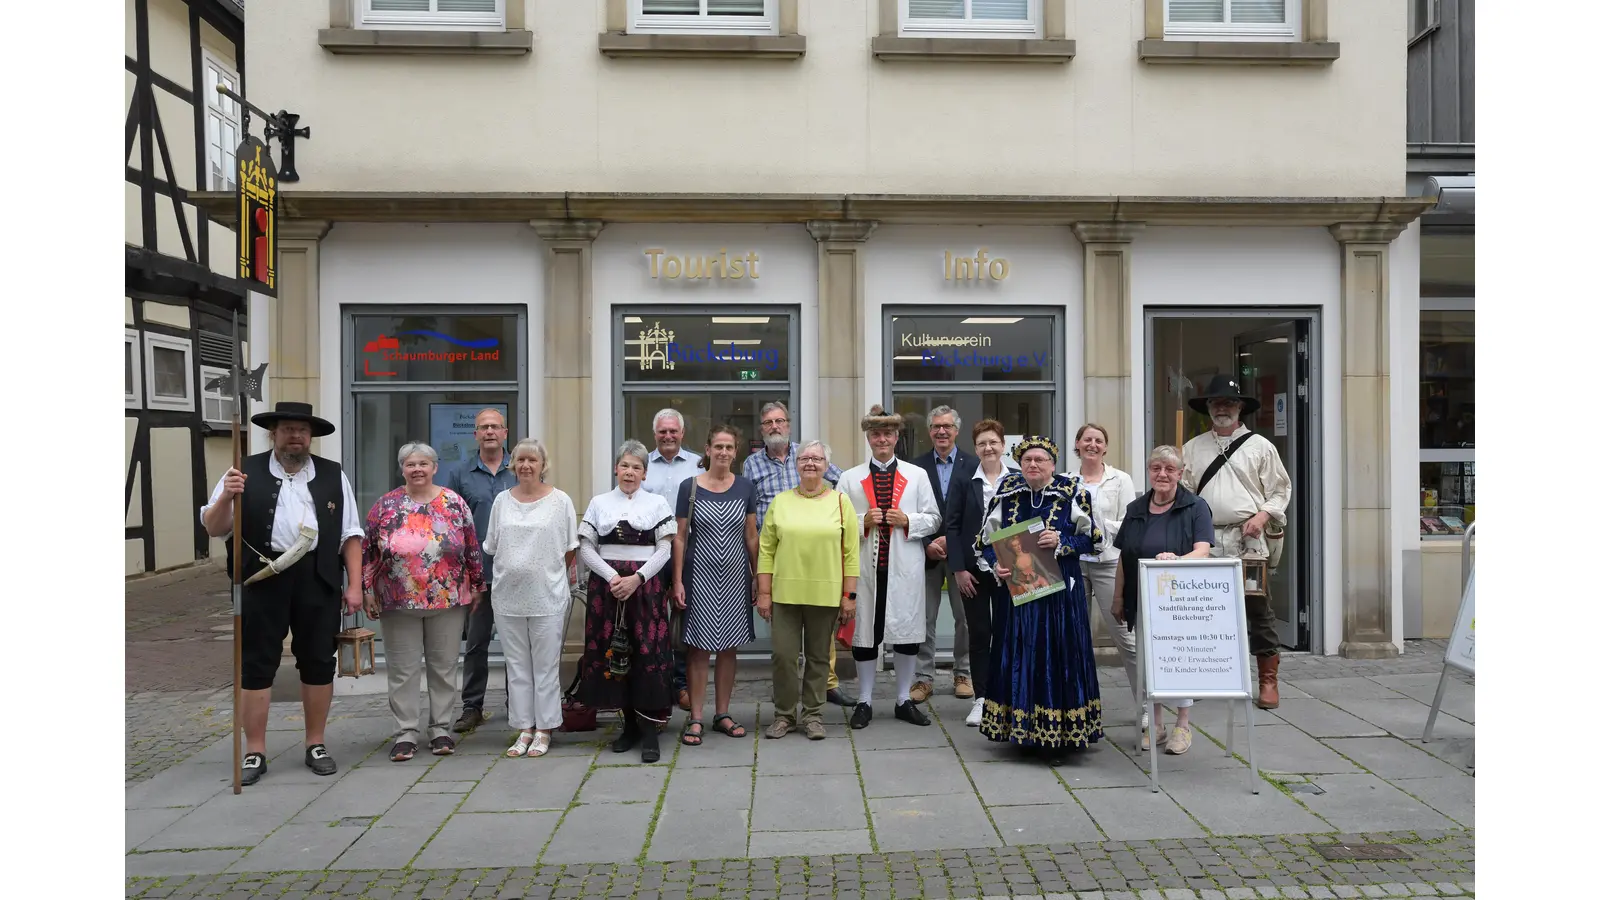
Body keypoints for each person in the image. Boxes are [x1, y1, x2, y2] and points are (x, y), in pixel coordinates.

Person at [199, 401, 364, 786]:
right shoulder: (242, 471)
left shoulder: (332, 474)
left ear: (311, 437)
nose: (296, 436)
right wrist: (227, 495)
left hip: (317, 578)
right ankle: (255, 751)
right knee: (256, 664)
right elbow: (213, 526)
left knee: (319, 661)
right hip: (261, 578)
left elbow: (349, 533)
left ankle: (316, 744)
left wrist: (354, 585)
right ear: (273, 433)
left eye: (302, 430)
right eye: (288, 429)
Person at [977, 436, 1104, 765]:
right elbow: (986, 541)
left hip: (1060, 595)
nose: (1033, 464)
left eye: (1040, 460)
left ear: (1053, 464)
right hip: (1018, 594)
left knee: (1057, 654)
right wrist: (997, 565)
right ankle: (1021, 730)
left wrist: (1062, 540)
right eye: (1028, 459)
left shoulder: (1074, 492)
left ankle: (1059, 735)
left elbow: (1094, 539)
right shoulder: (1007, 492)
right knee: (1020, 653)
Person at [362, 442, 486, 762]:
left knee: (443, 667)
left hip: (448, 598)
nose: (417, 469)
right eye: (410, 464)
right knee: (403, 670)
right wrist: (366, 589)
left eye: (423, 464)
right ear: (402, 469)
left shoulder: (454, 503)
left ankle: (440, 728)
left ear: (435, 468)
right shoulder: (386, 506)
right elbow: (368, 551)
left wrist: (477, 583)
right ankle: (406, 731)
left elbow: (472, 544)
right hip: (397, 598)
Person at [1180, 375, 1292, 709]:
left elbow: (1280, 490)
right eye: (1216, 403)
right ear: (1209, 408)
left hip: (1248, 538)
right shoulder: (1193, 447)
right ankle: (1205, 674)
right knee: (1203, 608)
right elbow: (1183, 490)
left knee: (1257, 607)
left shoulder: (1260, 447)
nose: (1222, 408)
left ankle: (1268, 681)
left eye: (1228, 402)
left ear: (1240, 407)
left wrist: (1261, 517)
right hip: (1206, 539)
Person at [742, 400, 855, 708]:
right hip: (778, 554)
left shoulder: (807, 453)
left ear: (788, 425)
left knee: (821, 641)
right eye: (768, 423)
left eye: (780, 421)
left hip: (818, 558)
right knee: (784, 643)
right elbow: (749, 512)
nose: (775, 427)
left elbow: (845, 481)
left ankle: (825, 687)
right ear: (762, 429)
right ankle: (787, 696)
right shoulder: (752, 465)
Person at [839, 405, 942, 730]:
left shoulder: (917, 475)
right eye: (875, 434)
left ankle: (902, 700)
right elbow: (837, 521)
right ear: (868, 438)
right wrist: (861, 521)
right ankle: (865, 700)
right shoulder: (850, 477)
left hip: (904, 567)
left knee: (908, 635)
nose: (881, 439)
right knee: (865, 634)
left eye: (887, 433)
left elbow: (934, 517)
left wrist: (908, 519)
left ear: (896, 437)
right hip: (866, 568)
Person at [575, 440, 677, 763]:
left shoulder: (657, 503)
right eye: (625, 466)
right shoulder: (599, 503)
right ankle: (628, 726)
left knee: (647, 652)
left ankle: (650, 732)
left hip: (645, 590)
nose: (630, 472)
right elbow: (586, 548)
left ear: (645, 473)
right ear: (616, 469)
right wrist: (611, 577)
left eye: (636, 467)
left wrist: (637, 579)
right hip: (608, 590)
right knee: (614, 653)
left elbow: (665, 549)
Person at [1112, 445, 1215, 755]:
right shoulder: (1135, 508)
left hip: (1179, 600)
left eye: (1170, 469)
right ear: (1149, 471)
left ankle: (1182, 726)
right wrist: (1117, 597)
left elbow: (1203, 550)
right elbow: (1123, 557)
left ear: (1180, 474)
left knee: (1179, 660)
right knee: (1147, 660)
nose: (1163, 474)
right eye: (1157, 468)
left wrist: (1176, 560)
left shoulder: (1196, 506)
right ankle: (1155, 725)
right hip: (1142, 597)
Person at [482, 439, 578, 759]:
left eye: (532, 460)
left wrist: (547, 576)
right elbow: (492, 544)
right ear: (513, 464)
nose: (525, 465)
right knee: (518, 667)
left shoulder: (560, 500)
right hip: (508, 597)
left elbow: (569, 548)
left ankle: (545, 728)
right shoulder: (501, 501)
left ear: (542, 465)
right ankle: (524, 727)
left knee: (545, 667)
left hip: (547, 596)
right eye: (520, 459)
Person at [756, 440, 859, 741]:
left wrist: (849, 596)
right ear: (796, 465)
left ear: (827, 465)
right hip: (785, 595)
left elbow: (850, 554)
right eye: (804, 458)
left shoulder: (841, 503)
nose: (810, 463)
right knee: (783, 657)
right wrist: (764, 593)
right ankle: (784, 715)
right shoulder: (781, 502)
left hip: (825, 594)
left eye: (817, 458)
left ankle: (813, 715)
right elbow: (766, 550)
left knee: (818, 658)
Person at [671, 424, 758, 746]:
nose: (723, 452)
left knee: (728, 648)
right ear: (707, 450)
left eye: (729, 447)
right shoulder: (689, 487)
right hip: (699, 577)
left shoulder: (746, 487)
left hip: (736, 577)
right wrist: (677, 581)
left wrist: (758, 578)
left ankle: (722, 713)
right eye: (718, 447)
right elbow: (680, 537)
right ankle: (695, 716)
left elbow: (751, 536)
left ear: (736, 453)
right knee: (697, 649)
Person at [439, 407, 516, 736]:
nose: (489, 432)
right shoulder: (459, 474)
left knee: (518, 645)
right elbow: (450, 526)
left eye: (494, 427)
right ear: (475, 434)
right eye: (483, 427)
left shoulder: (521, 469)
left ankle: (519, 704)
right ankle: (473, 706)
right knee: (476, 644)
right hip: (478, 576)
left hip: (516, 574)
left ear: (505, 432)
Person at [945, 419, 1019, 727]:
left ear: (1003, 445)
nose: (987, 448)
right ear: (975, 448)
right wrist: (959, 569)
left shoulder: (1017, 478)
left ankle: (1008, 696)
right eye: (981, 444)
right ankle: (982, 699)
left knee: (1008, 633)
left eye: (993, 442)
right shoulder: (964, 479)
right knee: (979, 634)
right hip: (973, 571)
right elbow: (952, 525)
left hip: (1010, 570)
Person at [1072, 423, 1141, 721]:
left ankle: (1147, 708)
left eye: (1098, 440)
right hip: (1073, 563)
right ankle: (1075, 709)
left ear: (1105, 447)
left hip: (1110, 562)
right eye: (1087, 439)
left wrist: (1096, 526)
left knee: (1127, 639)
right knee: (1073, 638)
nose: (1092, 444)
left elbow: (1129, 523)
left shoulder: (1120, 479)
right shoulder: (1065, 480)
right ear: (1077, 444)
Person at [910, 405, 979, 705]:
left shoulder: (973, 464)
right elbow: (910, 510)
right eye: (936, 426)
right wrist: (927, 542)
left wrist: (953, 541)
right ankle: (923, 678)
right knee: (924, 618)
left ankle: (963, 673)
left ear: (956, 430)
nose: (941, 431)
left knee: (965, 617)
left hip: (961, 553)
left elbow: (976, 510)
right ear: (929, 431)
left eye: (947, 426)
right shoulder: (914, 467)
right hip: (926, 553)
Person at [640, 408, 701, 713]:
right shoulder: (641, 464)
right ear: (655, 435)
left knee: (680, 617)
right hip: (647, 555)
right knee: (650, 619)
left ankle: (681, 684)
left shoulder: (696, 465)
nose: (667, 436)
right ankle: (655, 682)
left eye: (672, 431)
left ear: (682, 433)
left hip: (687, 552)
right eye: (662, 431)